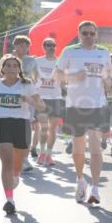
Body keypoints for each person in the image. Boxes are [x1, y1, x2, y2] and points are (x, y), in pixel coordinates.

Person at [55, 21, 112, 205]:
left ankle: (95, 188)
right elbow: (57, 75)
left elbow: (107, 76)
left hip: (97, 106)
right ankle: (80, 180)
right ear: (79, 34)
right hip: (75, 106)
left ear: (96, 35)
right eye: (85, 33)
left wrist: (108, 83)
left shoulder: (103, 52)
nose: (88, 36)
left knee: (95, 146)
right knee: (78, 149)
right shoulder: (69, 51)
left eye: (91, 33)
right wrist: (73, 77)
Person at [0, 54, 45, 215]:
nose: (11, 68)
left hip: (22, 124)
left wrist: (29, 100)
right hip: (2, 123)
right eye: (8, 65)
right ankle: (9, 200)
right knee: (7, 161)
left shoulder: (27, 84)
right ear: (2, 68)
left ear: (19, 69)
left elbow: (42, 107)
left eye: (14, 66)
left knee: (17, 163)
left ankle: (16, 176)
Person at [33, 38, 64, 167]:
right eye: (48, 45)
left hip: (56, 98)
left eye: (53, 45)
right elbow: (32, 77)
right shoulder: (37, 61)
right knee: (44, 127)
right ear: (43, 47)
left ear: (55, 47)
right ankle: (42, 152)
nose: (51, 47)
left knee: (53, 129)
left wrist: (60, 75)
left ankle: (49, 154)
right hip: (41, 98)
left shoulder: (60, 62)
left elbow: (64, 79)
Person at [12, 36, 38, 172]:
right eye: (19, 45)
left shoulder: (32, 60)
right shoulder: (7, 59)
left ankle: (25, 159)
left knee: (26, 128)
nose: (22, 48)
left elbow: (33, 75)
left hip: (27, 98)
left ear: (28, 47)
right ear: (15, 46)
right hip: (10, 97)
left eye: (24, 45)